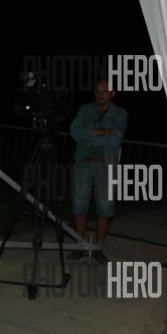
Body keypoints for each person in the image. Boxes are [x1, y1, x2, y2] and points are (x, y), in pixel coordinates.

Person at [69, 79, 127, 262]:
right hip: (83, 165)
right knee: (79, 206)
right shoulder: (84, 109)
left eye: (105, 92)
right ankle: (80, 246)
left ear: (112, 93)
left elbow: (115, 139)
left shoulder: (120, 114)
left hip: (106, 166)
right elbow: (75, 132)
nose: (100, 95)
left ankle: (99, 248)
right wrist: (101, 132)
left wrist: (89, 133)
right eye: (98, 91)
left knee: (105, 207)